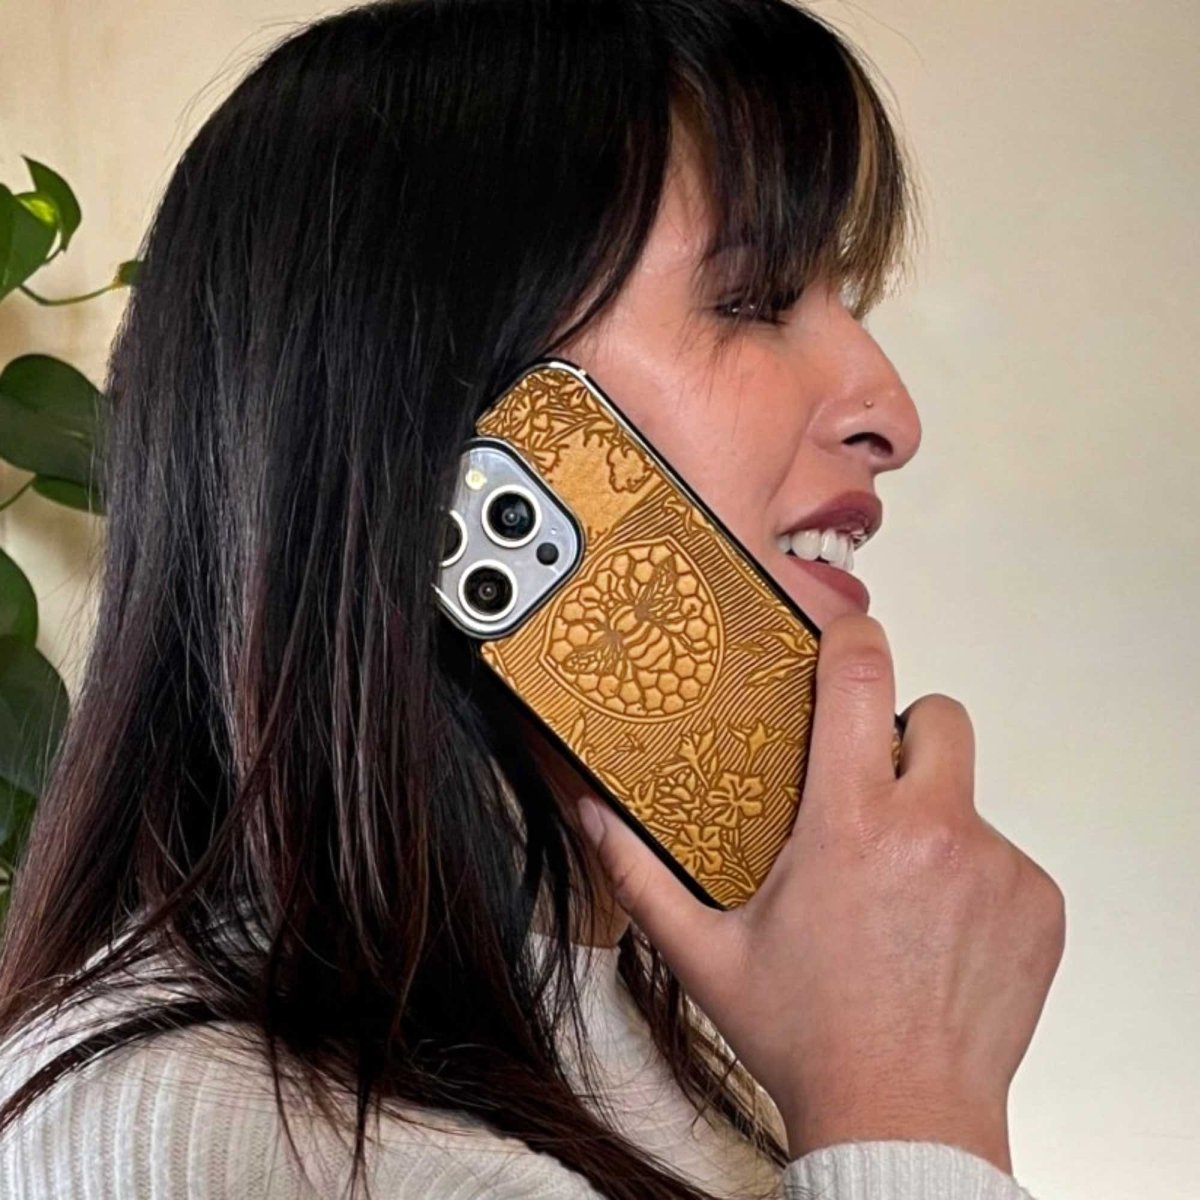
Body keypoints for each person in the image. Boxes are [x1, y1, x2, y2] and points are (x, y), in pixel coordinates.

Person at [0, 0, 1066, 1196]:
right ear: (441, 426)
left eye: (847, 301)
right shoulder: (212, 1129)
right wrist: (908, 1100)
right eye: (753, 298)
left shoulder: (695, 1041)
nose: (891, 413)